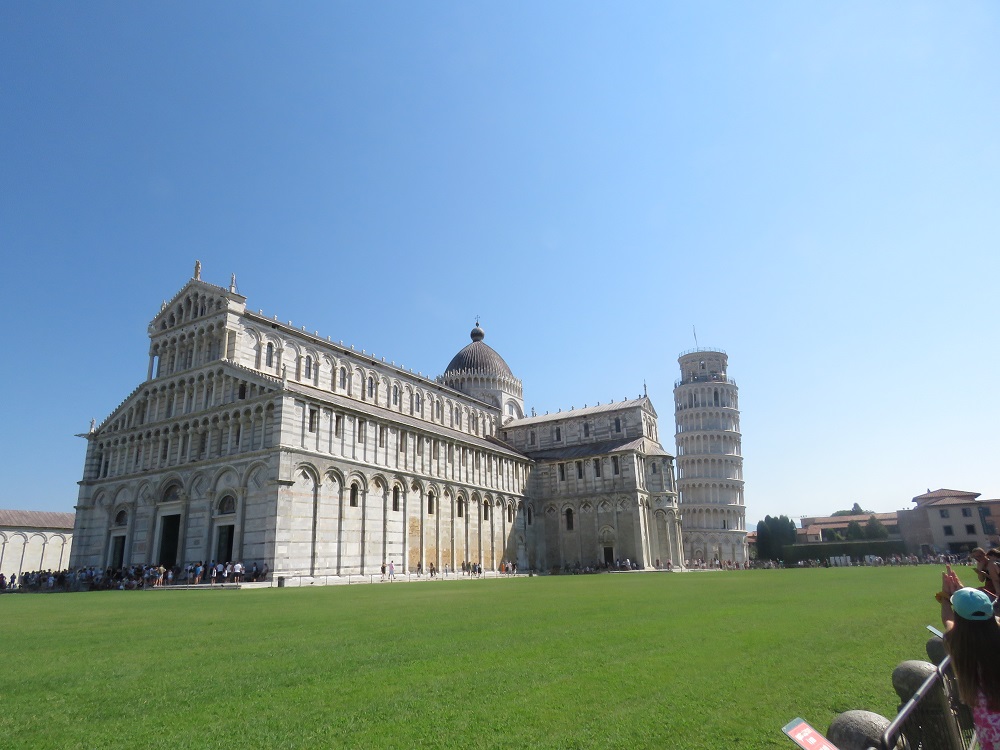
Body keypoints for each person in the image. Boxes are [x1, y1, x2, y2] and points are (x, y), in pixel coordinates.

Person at [938, 565, 1000, 749]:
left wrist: (945, 598)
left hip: (991, 731)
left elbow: (948, 620)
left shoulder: (957, 643)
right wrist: (966, 594)